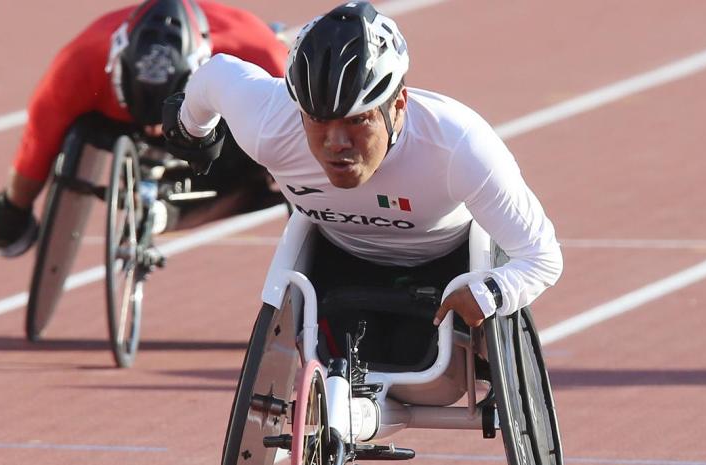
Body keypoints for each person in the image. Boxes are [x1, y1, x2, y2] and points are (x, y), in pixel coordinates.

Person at [164, 1, 563, 398]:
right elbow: (214, 75)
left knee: (418, 355)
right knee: (338, 361)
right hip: (339, 268)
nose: (336, 143)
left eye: (358, 121)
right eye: (318, 121)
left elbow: (542, 257)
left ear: (398, 106)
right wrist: (191, 131)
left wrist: (490, 293)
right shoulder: (269, 124)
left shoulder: (459, 146)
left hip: (447, 275)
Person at [0, 0, 289, 257]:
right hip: (116, 120)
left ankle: (173, 210)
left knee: (279, 166)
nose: (154, 130)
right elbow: (36, 146)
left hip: (213, 116)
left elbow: (299, 138)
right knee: (6, 222)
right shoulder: (79, 63)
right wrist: (13, 208)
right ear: (115, 70)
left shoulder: (258, 58)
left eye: (159, 122)